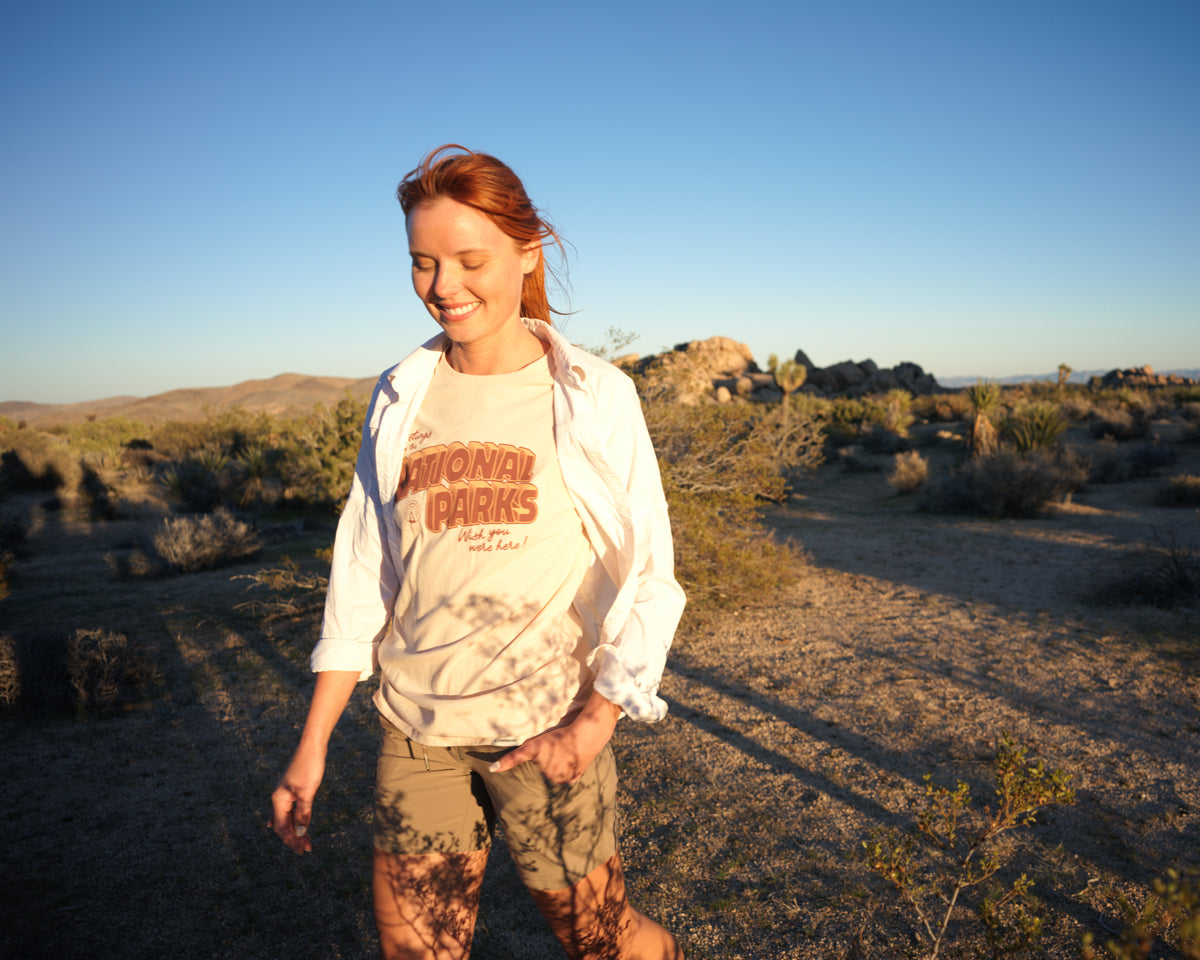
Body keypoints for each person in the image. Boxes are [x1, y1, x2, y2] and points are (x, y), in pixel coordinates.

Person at [270, 144, 686, 960]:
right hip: (416, 729)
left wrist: (596, 721)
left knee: (600, 943)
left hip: (544, 727)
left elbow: (651, 576)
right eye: (423, 263)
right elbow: (363, 575)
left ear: (526, 253)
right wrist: (312, 745)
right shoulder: (399, 395)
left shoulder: (595, 396)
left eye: (470, 259)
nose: (444, 287)